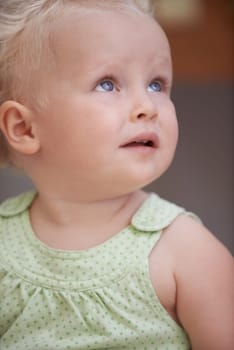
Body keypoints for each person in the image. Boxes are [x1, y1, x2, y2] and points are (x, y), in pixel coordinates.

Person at [0, 0, 233, 349]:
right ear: (25, 128)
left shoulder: (187, 252)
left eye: (157, 84)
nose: (147, 108)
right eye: (107, 84)